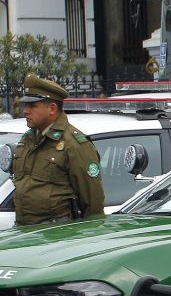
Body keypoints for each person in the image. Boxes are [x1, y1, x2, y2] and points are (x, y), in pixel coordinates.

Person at [10, 74, 105, 225]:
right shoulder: (27, 140)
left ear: (52, 109)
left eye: (32, 106)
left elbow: (93, 204)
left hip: (57, 236)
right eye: (25, 105)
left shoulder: (74, 144)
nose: (25, 111)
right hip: (25, 233)